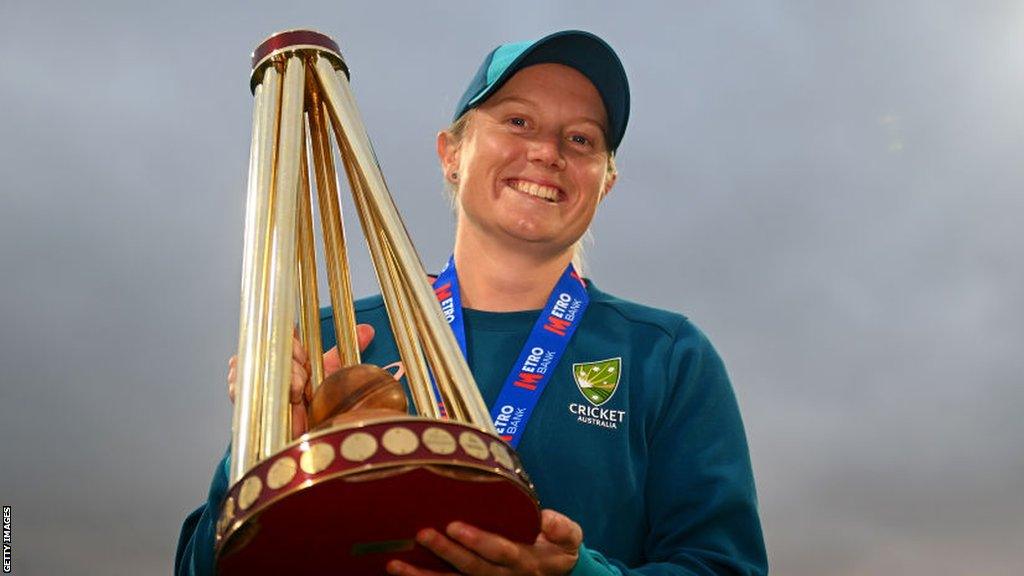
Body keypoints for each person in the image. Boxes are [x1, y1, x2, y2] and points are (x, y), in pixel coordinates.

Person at [176, 30, 768, 575]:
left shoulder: (664, 356)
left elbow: (725, 566)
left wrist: (577, 575)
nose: (548, 153)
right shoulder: (331, 335)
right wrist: (262, 447)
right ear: (451, 153)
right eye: (517, 121)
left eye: (581, 139)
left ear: (604, 179)